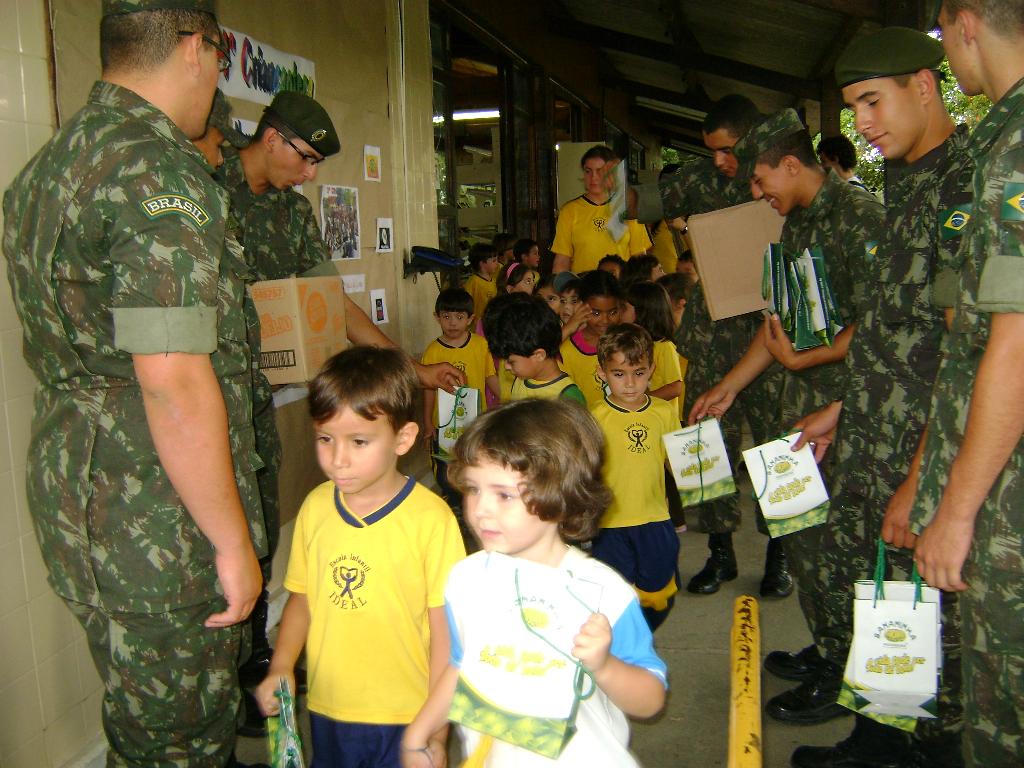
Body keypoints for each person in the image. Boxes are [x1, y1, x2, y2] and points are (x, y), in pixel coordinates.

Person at [2, 2, 264, 764]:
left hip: (78, 490)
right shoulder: (156, 170)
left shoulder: (50, 165)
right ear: (194, 47)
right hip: (158, 515)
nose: (215, 80)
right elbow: (171, 379)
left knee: (142, 718)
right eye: (218, 60)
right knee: (181, 739)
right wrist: (230, 543)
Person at [208, 88, 464, 726]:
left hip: (257, 397)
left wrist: (409, 368)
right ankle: (217, 682)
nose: (310, 174)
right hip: (205, 394)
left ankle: (259, 665)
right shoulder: (203, 187)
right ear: (272, 138)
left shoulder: (292, 213)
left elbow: (332, 300)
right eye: (306, 158)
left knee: (260, 524)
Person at [782, 28, 974, 768]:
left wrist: (922, 479)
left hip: (929, 451)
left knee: (934, 618)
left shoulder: (964, 187)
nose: (861, 123)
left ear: (923, 85)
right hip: (877, 433)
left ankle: (920, 749)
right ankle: (880, 736)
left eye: (872, 101)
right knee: (883, 597)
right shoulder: (904, 181)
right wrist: (846, 408)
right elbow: (900, 328)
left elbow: (967, 356)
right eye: (852, 108)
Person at [691, 108, 884, 724]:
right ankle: (828, 647)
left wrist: (809, 358)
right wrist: (728, 387)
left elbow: (885, 324)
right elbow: (778, 321)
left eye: (760, 179)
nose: (755, 192)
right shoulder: (795, 223)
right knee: (800, 537)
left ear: (793, 165)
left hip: (843, 414)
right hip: (796, 411)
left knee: (837, 549)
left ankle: (849, 674)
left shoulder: (859, 219)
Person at [399, 398, 667, 768]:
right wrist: (418, 734)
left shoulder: (600, 593)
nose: (480, 509)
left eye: (503, 494)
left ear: (560, 493)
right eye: (473, 489)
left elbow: (650, 700)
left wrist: (605, 666)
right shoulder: (466, 580)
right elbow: (462, 666)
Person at [906, 3, 1024, 765]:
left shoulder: (1016, 149)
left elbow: (1017, 344)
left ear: (966, 22)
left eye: (943, 36)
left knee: (1001, 717)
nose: (948, 53)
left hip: (1007, 501)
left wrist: (955, 511)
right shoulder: (1000, 138)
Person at [253, 346, 465, 767]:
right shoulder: (315, 508)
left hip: (407, 713)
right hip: (329, 707)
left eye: (359, 441)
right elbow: (303, 598)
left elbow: (446, 632)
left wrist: (436, 730)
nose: (338, 459)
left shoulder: (431, 520)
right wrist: (282, 666)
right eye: (325, 438)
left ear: (403, 438)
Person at [629, 94, 787, 598]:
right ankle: (720, 552)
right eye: (712, 150)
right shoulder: (703, 179)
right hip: (714, 334)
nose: (720, 160)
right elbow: (638, 202)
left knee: (778, 448)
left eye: (728, 149)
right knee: (705, 445)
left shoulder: (782, 178)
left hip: (774, 337)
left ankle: (782, 555)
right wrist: (610, 188)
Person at [591, 324, 681, 631]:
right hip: (610, 523)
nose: (630, 383)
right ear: (602, 372)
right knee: (614, 595)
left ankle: (643, 633)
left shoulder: (663, 412)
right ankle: (624, 644)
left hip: (655, 517)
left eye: (639, 373)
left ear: (651, 370)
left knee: (659, 592)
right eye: (619, 374)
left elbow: (677, 462)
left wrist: (703, 469)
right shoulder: (595, 417)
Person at [421, 288, 499, 505]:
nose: (453, 323)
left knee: (474, 466)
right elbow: (428, 389)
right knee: (446, 471)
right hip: (443, 426)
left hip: (475, 423)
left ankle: (471, 506)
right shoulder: (433, 351)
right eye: (446, 317)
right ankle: (453, 505)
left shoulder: (480, 345)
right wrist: (427, 423)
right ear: (437, 317)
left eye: (459, 317)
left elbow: (490, 377)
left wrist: (508, 401)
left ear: (470, 319)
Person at [552, 145, 652, 274]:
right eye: (588, 171)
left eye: (600, 171)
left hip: (620, 284)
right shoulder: (569, 211)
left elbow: (639, 257)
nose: (594, 177)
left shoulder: (628, 207)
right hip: (584, 284)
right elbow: (562, 261)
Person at [485, 294, 586, 404]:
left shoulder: (568, 397)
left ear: (539, 355)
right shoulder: (525, 374)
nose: (506, 366)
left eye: (511, 362)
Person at [559, 270, 623, 407]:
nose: (605, 321)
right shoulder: (567, 351)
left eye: (613, 312)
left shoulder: (628, 342)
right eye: (596, 313)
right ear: (581, 306)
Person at [464, 242, 500, 321]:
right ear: (482, 263)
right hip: (476, 325)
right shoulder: (473, 282)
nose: (497, 263)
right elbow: (466, 305)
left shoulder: (494, 281)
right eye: (494, 261)